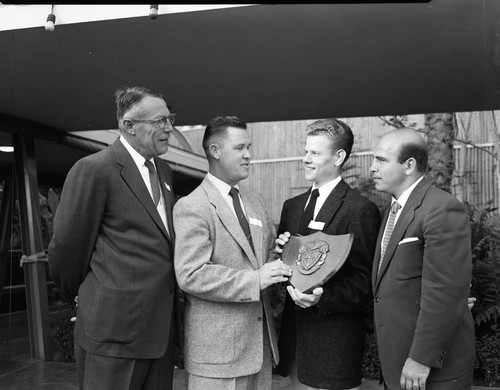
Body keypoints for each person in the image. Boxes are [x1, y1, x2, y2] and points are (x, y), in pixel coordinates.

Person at [48, 86, 180, 390]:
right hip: (113, 335)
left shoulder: (165, 171)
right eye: (159, 121)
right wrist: (84, 295)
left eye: (169, 119)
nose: (168, 128)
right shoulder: (95, 169)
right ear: (128, 126)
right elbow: (66, 251)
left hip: (159, 333)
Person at [173, 116, 292, 390]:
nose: (249, 155)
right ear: (215, 151)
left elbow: (262, 263)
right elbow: (191, 274)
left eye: (249, 147)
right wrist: (256, 279)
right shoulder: (192, 206)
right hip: (217, 359)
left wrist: (278, 254)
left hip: (260, 350)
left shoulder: (255, 202)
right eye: (240, 148)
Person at [274, 118, 381, 390]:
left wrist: (322, 298)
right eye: (306, 151)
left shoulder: (360, 209)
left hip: (334, 344)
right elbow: (291, 270)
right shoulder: (292, 207)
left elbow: (365, 281)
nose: (306, 159)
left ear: (339, 157)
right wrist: (280, 254)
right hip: (294, 341)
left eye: (315, 153)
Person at [370, 128, 475, 390]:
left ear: (409, 165)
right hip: (397, 363)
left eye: (381, 160)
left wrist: (421, 358)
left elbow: (445, 294)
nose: (372, 168)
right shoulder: (392, 210)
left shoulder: (441, 209)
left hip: (430, 372)